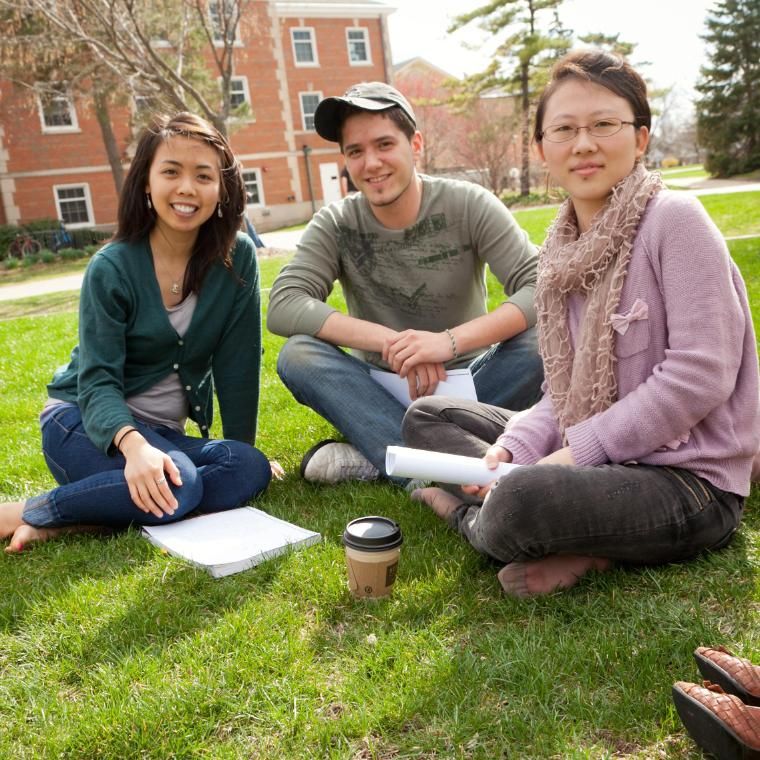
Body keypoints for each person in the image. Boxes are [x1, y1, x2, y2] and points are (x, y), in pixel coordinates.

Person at [403, 50, 760, 598]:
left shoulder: (676, 221)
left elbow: (700, 375)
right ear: (543, 149)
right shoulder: (560, 253)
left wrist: (573, 456)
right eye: (564, 130)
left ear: (640, 137)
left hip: (688, 481)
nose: (584, 144)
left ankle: (471, 516)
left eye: (604, 125)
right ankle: (524, 509)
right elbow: (560, 394)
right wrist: (513, 452)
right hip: (592, 454)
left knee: (522, 502)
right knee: (427, 417)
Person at [0, 112, 273, 553]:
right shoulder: (112, 267)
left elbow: (237, 366)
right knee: (179, 486)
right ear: (147, 182)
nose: (186, 188)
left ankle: (85, 518)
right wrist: (134, 446)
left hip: (165, 434)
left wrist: (241, 452)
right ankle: (29, 511)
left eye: (203, 176)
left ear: (222, 188)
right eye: (171, 172)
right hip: (84, 422)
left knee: (249, 468)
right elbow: (97, 382)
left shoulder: (236, 258)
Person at [267, 82, 544, 485]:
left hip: (472, 382)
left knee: (543, 341)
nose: (371, 163)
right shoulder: (336, 222)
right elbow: (285, 304)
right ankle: (435, 462)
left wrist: (446, 342)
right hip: (379, 388)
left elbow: (542, 285)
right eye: (355, 152)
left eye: (384, 145)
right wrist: (393, 343)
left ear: (415, 145)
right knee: (298, 355)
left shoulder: (468, 203)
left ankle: (388, 457)